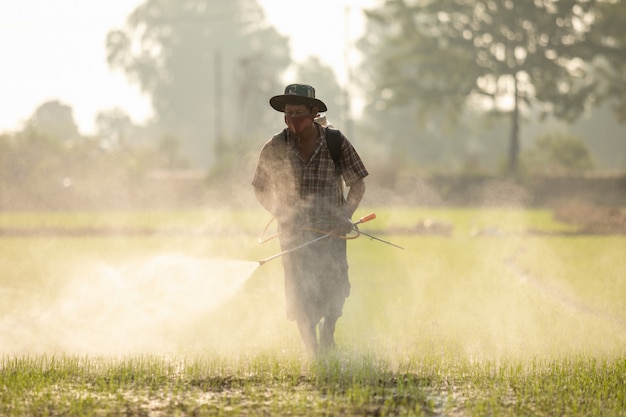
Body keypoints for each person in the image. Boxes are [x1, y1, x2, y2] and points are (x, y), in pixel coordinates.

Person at [252, 84, 368, 354]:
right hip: (294, 236)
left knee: (334, 290)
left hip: (331, 233)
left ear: (314, 113)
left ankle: (328, 334)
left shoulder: (335, 142)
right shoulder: (276, 146)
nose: (292, 119)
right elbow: (259, 188)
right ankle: (312, 350)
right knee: (300, 295)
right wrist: (282, 212)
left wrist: (345, 215)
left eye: (299, 113)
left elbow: (358, 184)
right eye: (288, 113)